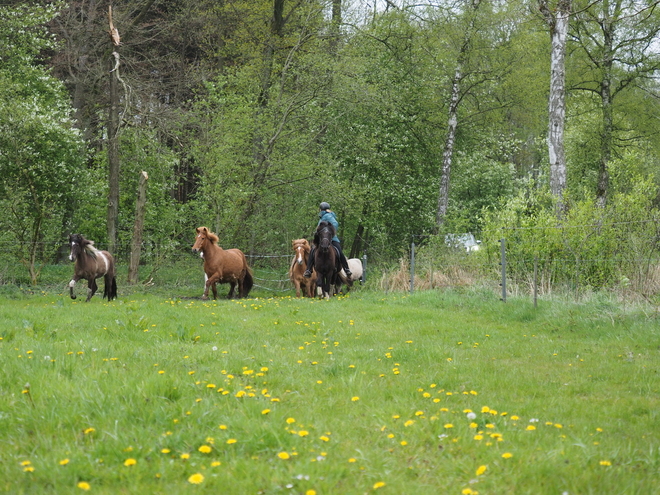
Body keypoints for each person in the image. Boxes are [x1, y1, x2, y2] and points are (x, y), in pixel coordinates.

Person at [304, 201, 352, 278]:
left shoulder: (328, 216)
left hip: (332, 239)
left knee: (339, 252)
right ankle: (308, 270)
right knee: (312, 250)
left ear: (320, 209)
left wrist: (330, 233)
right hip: (322, 240)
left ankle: (346, 269)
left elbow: (335, 224)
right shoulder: (323, 217)